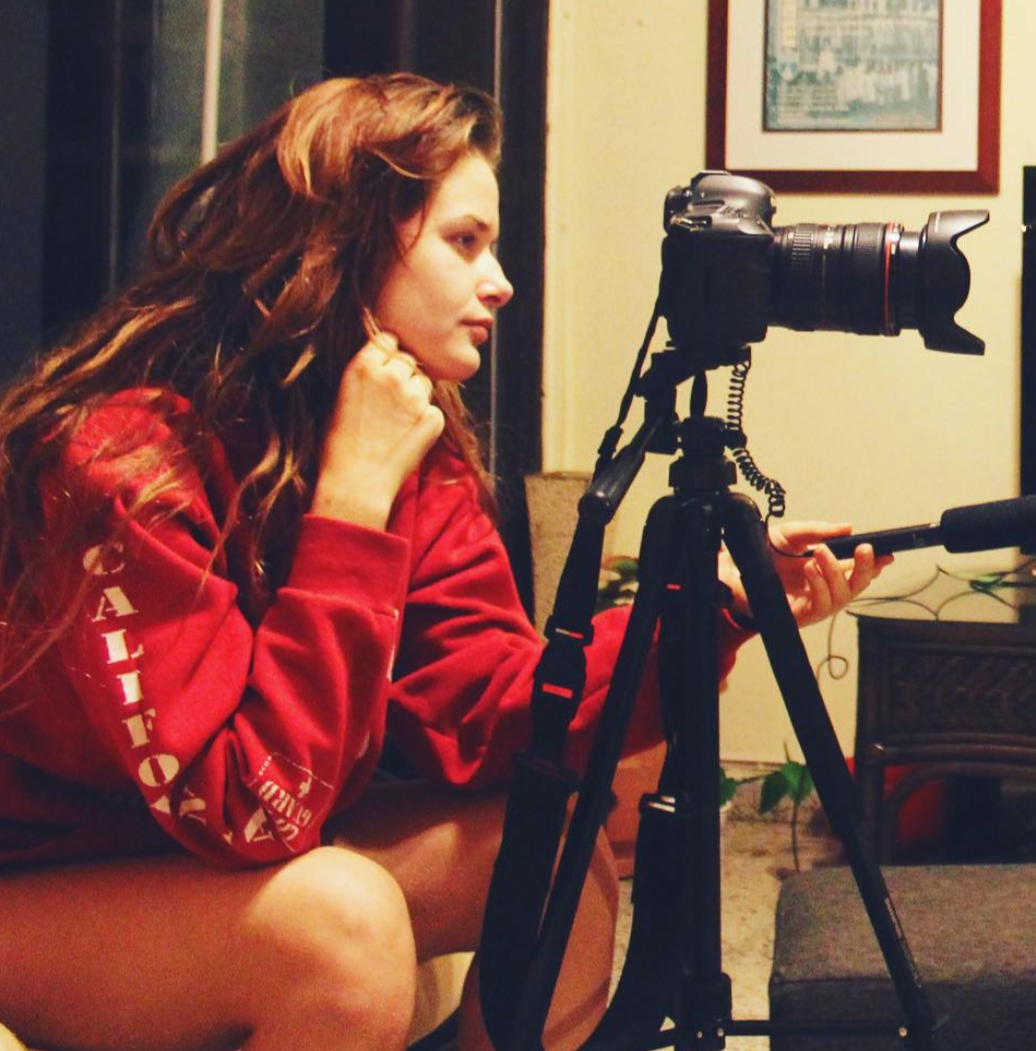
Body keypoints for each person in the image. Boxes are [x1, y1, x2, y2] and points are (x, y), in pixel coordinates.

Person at [0, 73, 887, 1051]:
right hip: (43, 885)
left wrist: (718, 608)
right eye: (464, 242)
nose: (499, 281)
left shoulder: (401, 440)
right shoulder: (128, 462)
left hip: (185, 857)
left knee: (551, 846)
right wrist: (350, 505)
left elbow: (494, 711)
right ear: (344, 241)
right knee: (344, 928)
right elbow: (248, 807)